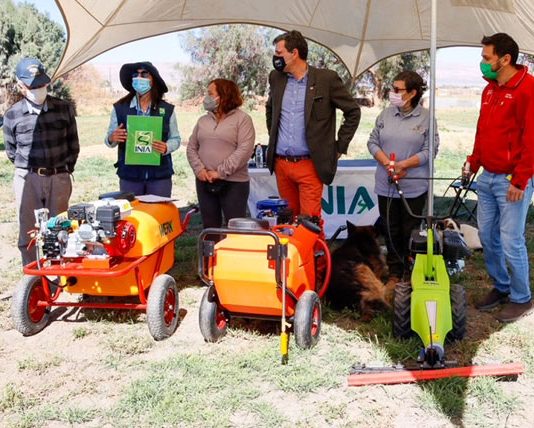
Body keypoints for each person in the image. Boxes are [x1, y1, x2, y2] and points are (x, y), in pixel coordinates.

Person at [465, 33, 534, 322]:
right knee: (486, 236)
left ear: (505, 59)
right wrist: (473, 161)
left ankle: (522, 297)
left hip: (511, 182)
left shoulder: (528, 89)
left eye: (486, 57)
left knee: (511, 240)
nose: (482, 63)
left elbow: (531, 139)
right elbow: (483, 131)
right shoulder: (490, 90)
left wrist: (520, 180)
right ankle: (501, 285)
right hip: (486, 178)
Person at [265, 30, 360, 227]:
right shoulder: (276, 77)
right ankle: (294, 258)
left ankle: (316, 258)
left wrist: (339, 147)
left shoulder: (326, 79)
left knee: (309, 223)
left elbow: (352, 111)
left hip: (310, 164)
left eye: (279, 53)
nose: (276, 58)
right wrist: (274, 137)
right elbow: (270, 108)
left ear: (295, 53)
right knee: (287, 223)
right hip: (282, 164)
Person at [3, 57, 79, 266]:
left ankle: (58, 275)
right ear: (21, 85)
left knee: (59, 228)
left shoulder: (63, 108)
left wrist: (63, 172)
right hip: (28, 178)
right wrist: (30, 172)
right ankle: (32, 278)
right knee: (28, 232)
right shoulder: (12, 115)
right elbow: (11, 151)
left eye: (41, 84)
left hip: (59, 177)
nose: (38, 89)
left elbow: (73, 144)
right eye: (32, 85)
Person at [367, 71, 439, 284]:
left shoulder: (426, 118)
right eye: (393, 88)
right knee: (390, 230)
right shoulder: (385, 115)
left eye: (398, 89)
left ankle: (411, 269)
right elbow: (372, 142)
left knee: (410, 231)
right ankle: (395, 271)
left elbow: (430, 151)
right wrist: (387, 163)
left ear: (412, 93)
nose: (393, 93)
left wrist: (404, 165)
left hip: (414, 187)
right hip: (385, 184)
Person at [186, 79, 255, 228]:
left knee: (235, 228)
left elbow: (244, 150)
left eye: (210, 94)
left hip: (234, 183)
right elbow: (191, 147)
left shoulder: (243, 120)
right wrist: (200, 170)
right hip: (204, 182)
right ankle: (209, 252)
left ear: (223, 96)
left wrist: (220, 172)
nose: (206, 98)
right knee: (210, 228)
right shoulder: (202, 121)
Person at [105, 61, 180, 197]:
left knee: (159, 216)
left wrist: (166, 147)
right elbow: (109, 139)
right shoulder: (120, 108)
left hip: (159, 176)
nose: (139, 77)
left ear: (153, 81)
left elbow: (175, 138)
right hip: (130, 177)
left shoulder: (167, 110)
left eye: (144, 74)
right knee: (134, 216)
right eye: (136, 74)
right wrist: (112, 138)